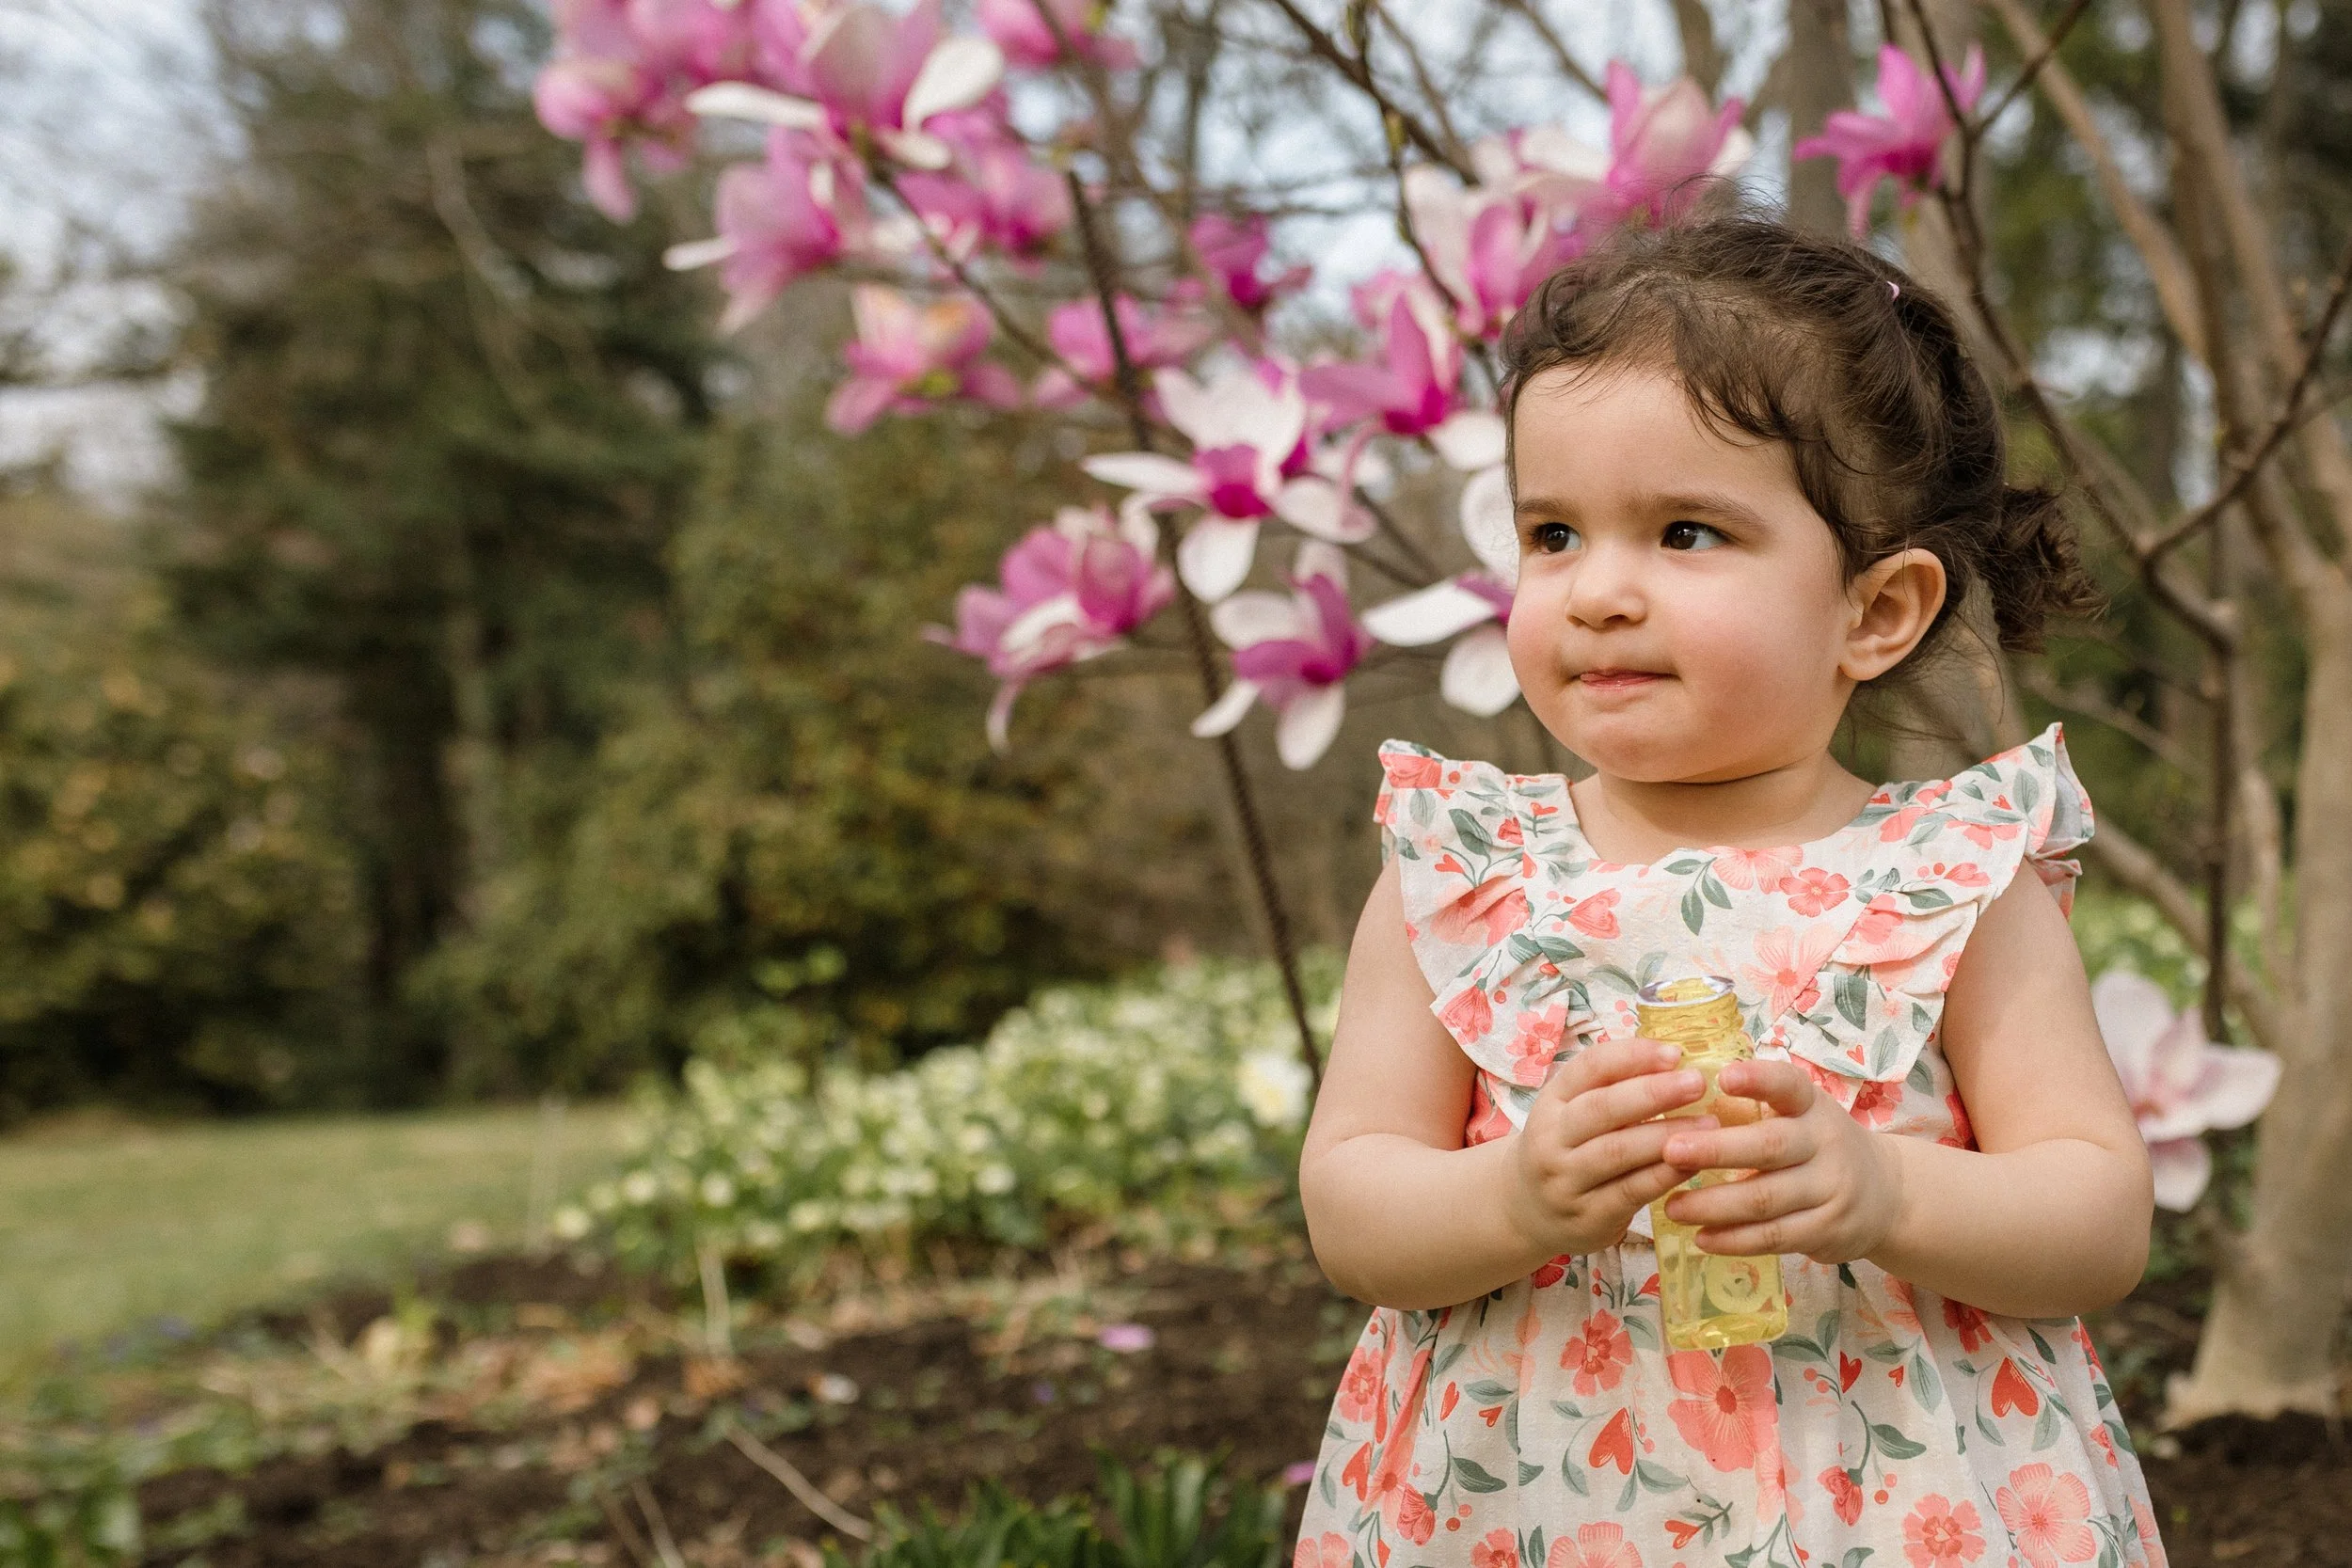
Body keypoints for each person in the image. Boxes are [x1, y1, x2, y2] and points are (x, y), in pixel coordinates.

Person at [1291, 218, 2166, 1568]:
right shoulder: (1462, 874)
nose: (1597, 592)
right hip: (1531, 1501)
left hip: (1892, 1494)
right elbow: (1353, 1203)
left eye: (1685, 531)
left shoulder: (1951, 879)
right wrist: (1516, 1197)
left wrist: (1885, 1192)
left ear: (1876, 613)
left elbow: (2097, 1215)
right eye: (1554, 532)